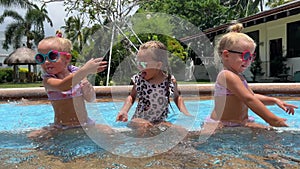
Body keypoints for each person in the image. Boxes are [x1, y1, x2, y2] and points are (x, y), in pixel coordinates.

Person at [207, 23, 297, 129]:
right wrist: (274, 120)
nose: (248, 61)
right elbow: (249, 99)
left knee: (271, 134)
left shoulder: (239, 76)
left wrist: (274, 100)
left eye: (251, 56)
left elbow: (252, 96)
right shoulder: (226, 75)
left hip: (241, 122)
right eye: (245, 55)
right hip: (222, 124)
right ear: (226, 55)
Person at [28, 35, 109, 139]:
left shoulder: (77, 73)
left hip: (84, 124)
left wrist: (87, 85)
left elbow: (90, 98)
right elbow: (63, 86)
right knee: (34, 137)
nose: (46, 62)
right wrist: (85, 71)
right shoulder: (47, 80)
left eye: (52, 56)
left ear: (67, 58)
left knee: (109, 132)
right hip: (61, 127)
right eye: (41, 58)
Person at [116, 40, 192, 135]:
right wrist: (124, 111)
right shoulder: (140, 80)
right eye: (138, 63)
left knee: (178, 129)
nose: (139, 67)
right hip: (138, 120)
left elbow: (177, 97)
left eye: (143, 64)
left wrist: (185, 113)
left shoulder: (169, 81)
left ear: (158, 65)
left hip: (158, 121)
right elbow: (131, 97)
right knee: (145, 125)